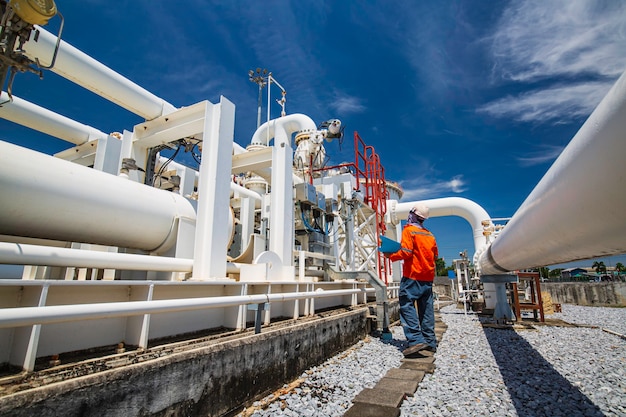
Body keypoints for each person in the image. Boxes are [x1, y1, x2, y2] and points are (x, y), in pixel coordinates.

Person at [385, 204, 438, 356]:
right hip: (427, 278)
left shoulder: (409, 230)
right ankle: (430, 342)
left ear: (413, 215)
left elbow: (406, 252)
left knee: (407, 306)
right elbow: (434, 256)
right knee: (426, 310)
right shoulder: (430, 235)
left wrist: (391, 256)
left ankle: (416, 340)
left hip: (412, 276)